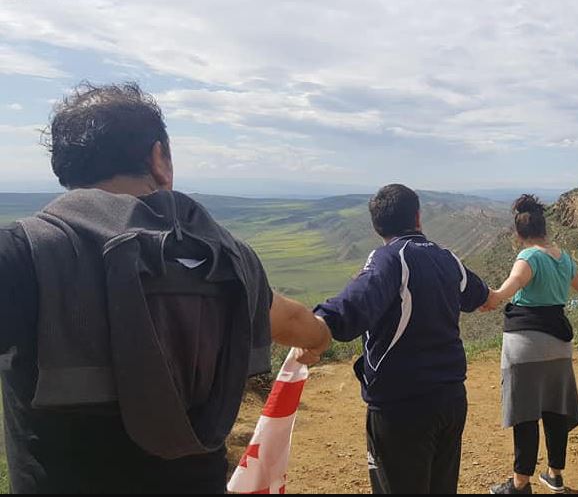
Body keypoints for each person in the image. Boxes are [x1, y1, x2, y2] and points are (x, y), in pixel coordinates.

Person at [0, 82, 331, 494]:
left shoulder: (25, 254)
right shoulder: (229, 259)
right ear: (160, 159)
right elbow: (290, 318)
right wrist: (319, 338)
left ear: (64, 170)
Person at [313, 184, 490, 494]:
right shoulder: (447, 258)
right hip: (450, 399)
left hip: (401, 406)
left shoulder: (389, 258)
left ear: (376, 225)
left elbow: (353, 307)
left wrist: (317, 325)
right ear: (418, 218)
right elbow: (481, 298)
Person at [483, 195, 578, 495]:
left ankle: (520, 483)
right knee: (556, 410)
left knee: (525, 413)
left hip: (525, 346)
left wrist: (485, 298)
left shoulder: (528, 258)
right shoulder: (564, 258)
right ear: (545, 228)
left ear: (519, 234)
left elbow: (504, 293)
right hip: (560, 346)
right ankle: (555, 475)